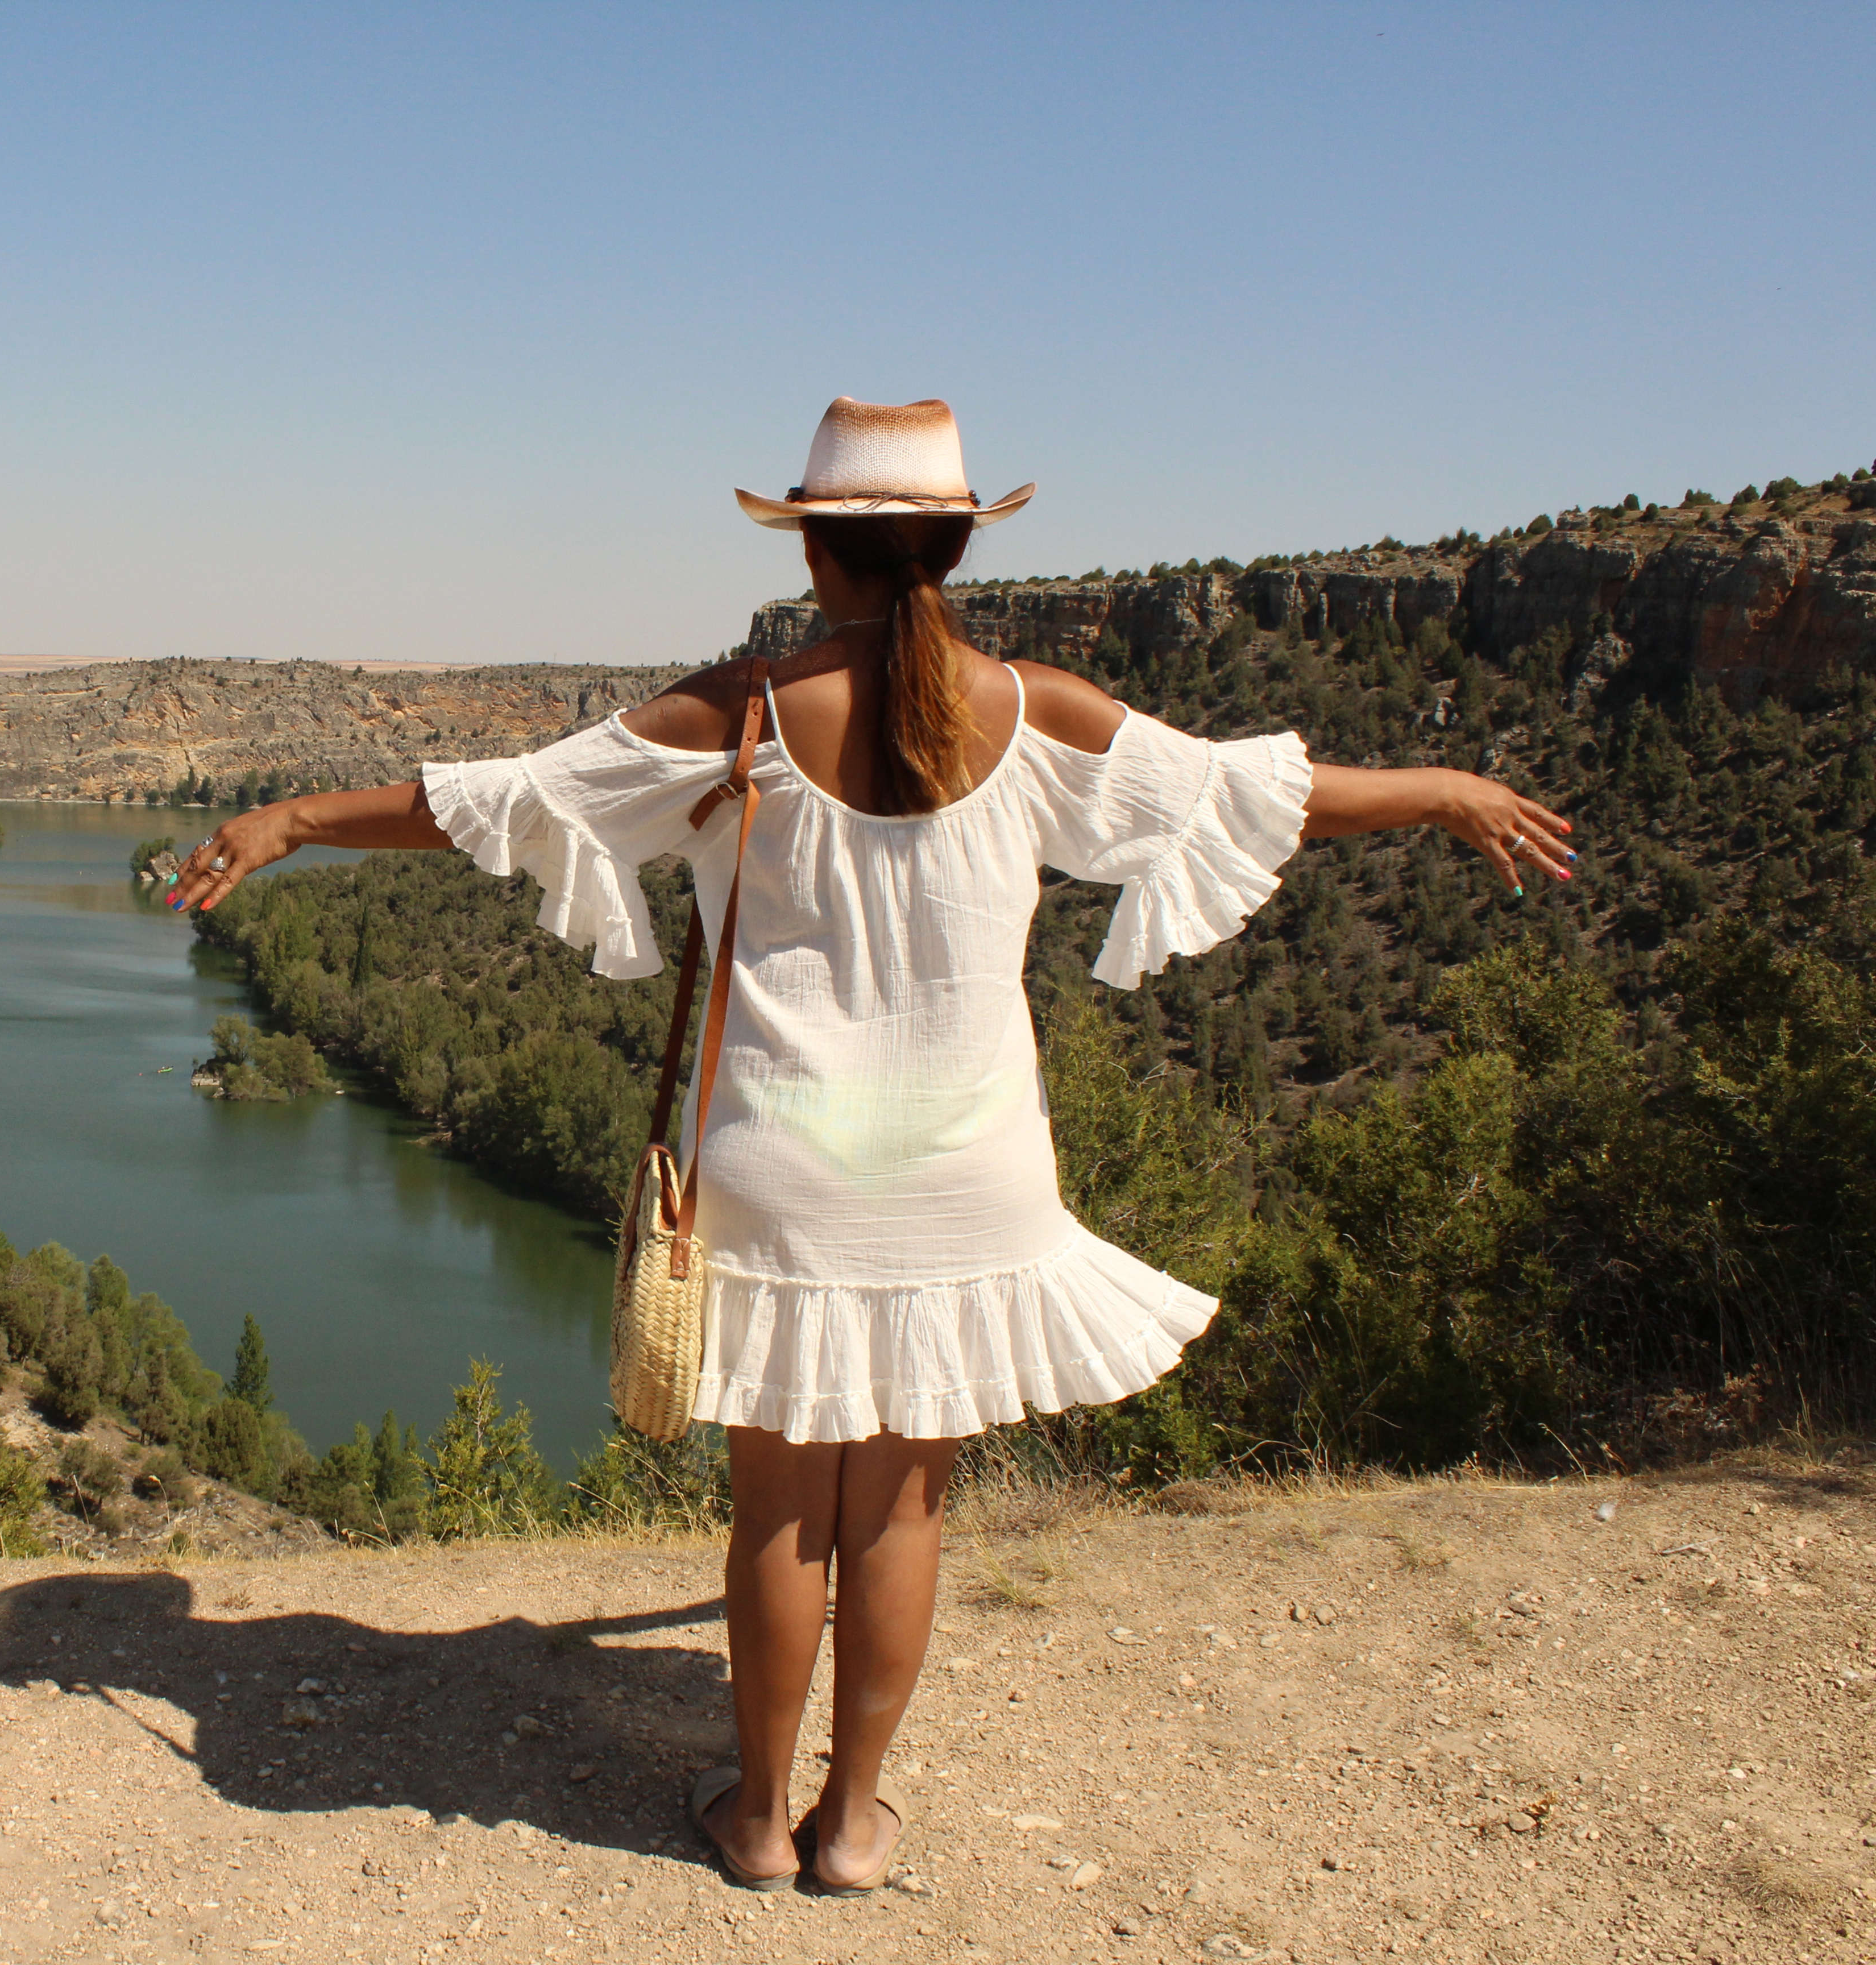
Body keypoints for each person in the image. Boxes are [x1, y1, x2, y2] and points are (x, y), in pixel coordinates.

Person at [163, 397, 1575, 1892]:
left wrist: (295, 819)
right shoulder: (1040, 713)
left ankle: (757, 1821)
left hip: (782, 1168)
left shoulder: (744, 713)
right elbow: (1254, 792)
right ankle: (853, 1825)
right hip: (967, 1172)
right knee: (904, 1505)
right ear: (955, 543)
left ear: (815, 547)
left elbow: (509, 805)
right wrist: (1440, 791)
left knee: (781, 1510)